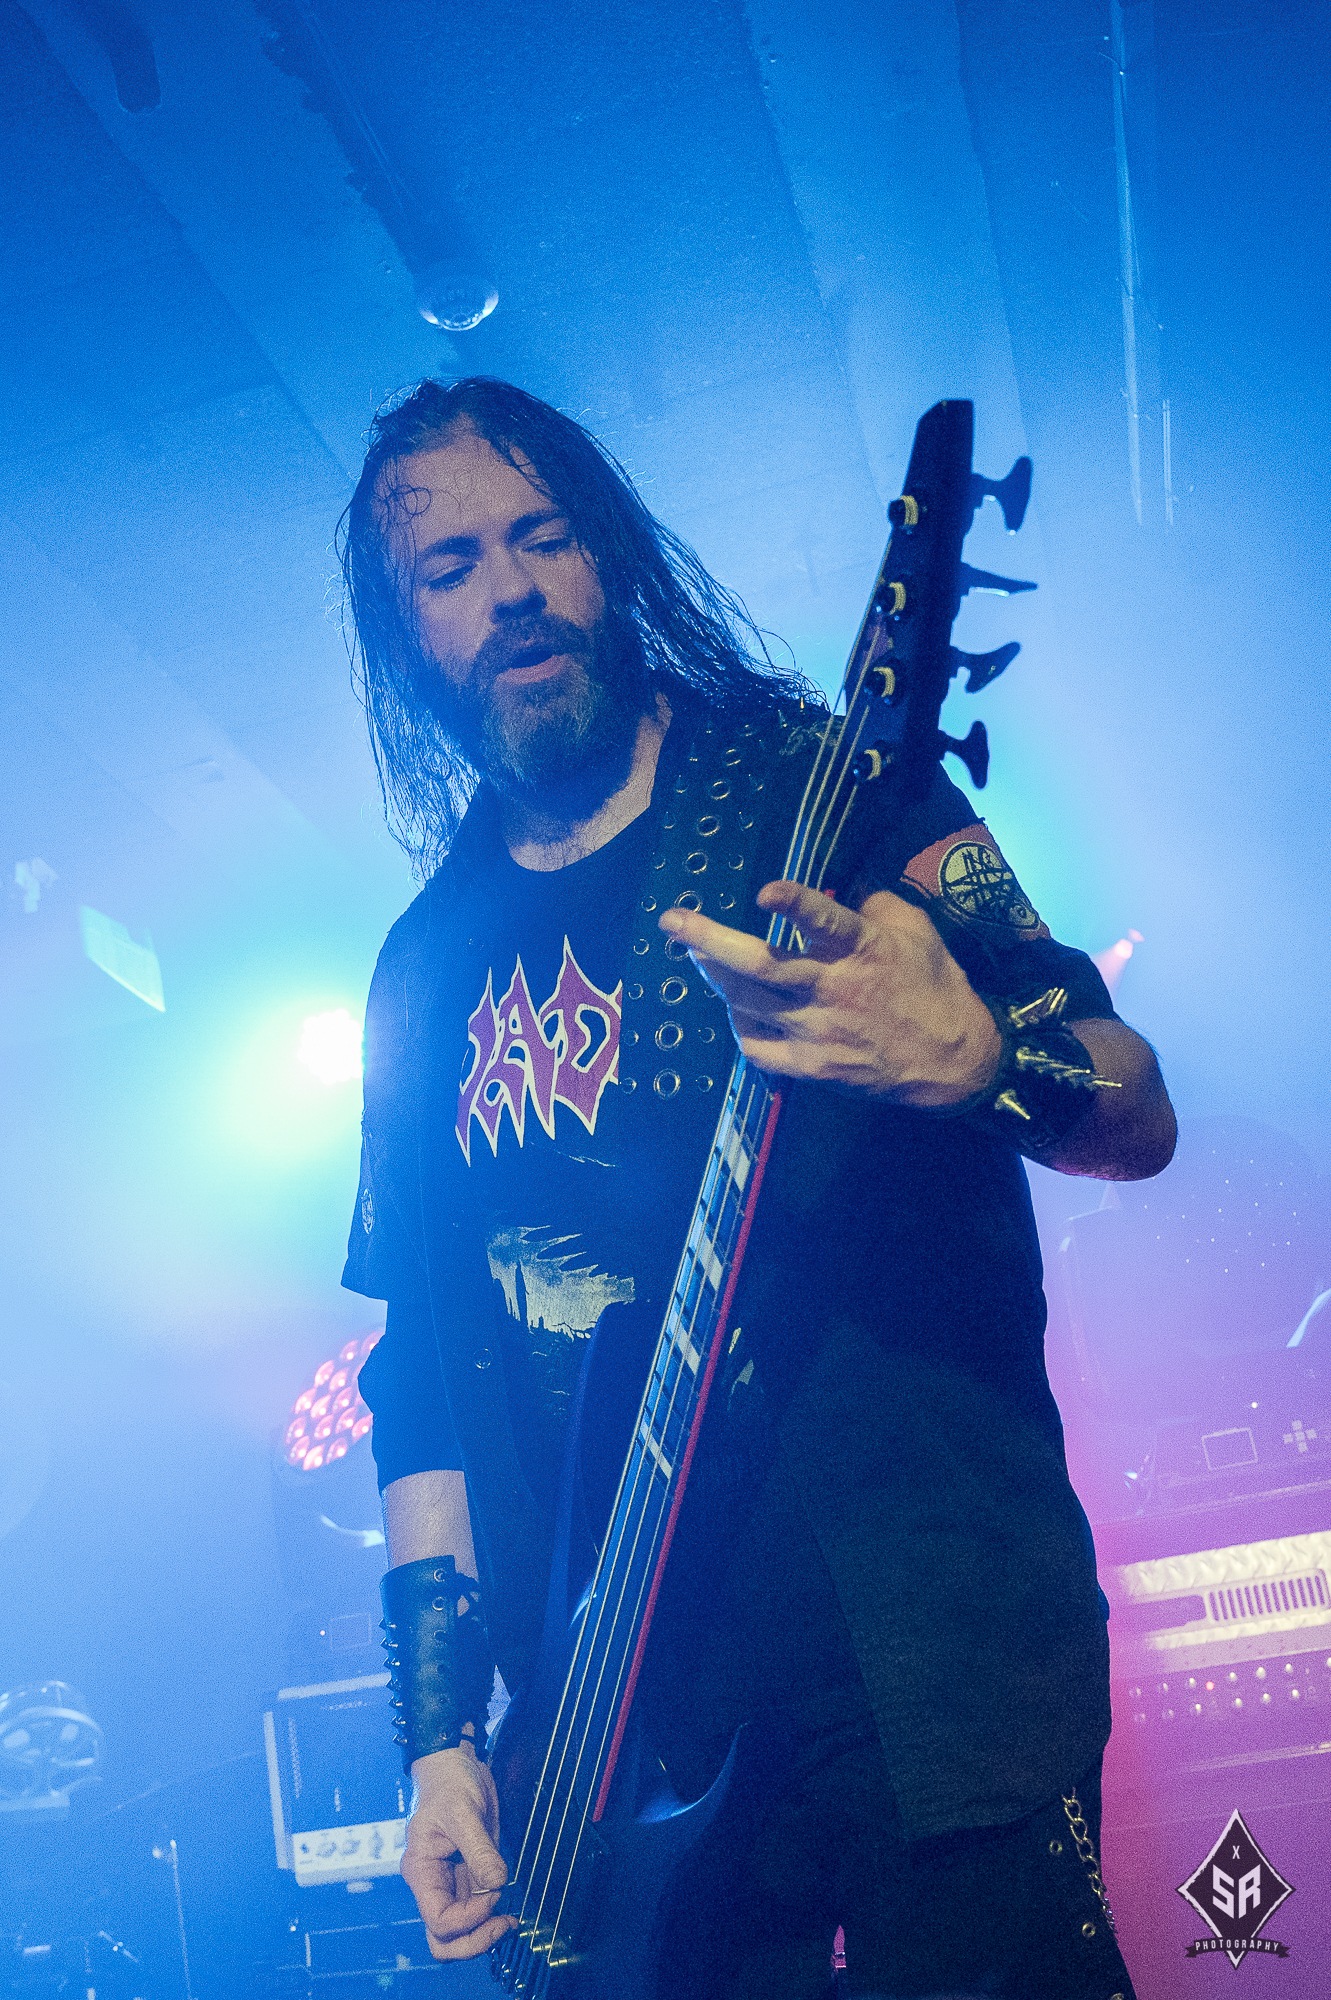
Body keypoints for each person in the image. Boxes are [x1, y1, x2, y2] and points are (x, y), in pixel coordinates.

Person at [339, 376, 1174, 1999]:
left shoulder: (829, 795)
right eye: (450, 567)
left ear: (609, 555)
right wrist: (440, 1745)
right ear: (406, 635)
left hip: (928, 1658)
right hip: (619, 1742)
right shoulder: (422, 970)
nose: (511, 590)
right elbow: (421, 1379)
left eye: (543, 537)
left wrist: (976, 1058)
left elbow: (1132, 1101)